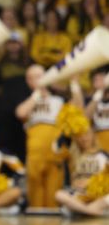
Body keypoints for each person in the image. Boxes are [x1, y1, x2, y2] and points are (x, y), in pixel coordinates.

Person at [16, 68, 83, 212]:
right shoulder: (29, 100)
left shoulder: (58, 100)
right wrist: (37, 94)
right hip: (34, 153)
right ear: (28, 81)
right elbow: (21, 113)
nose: (38, 80)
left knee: (54, 187)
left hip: (54, 151)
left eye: (40, 76)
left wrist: (74, 84)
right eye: (33, 77)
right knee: (34, 187)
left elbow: (78, 109)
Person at [53, 127, 109, 217]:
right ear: (75, 138)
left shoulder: (103, 155)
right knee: (58, 195)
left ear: (93, 135)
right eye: (80, 135)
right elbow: (55, 147)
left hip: (98, 197)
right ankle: (90, 211)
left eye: (87, 134)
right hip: (79, 196)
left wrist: (91, 182)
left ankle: (83, 211)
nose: (84, 138)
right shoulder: (73, 156)